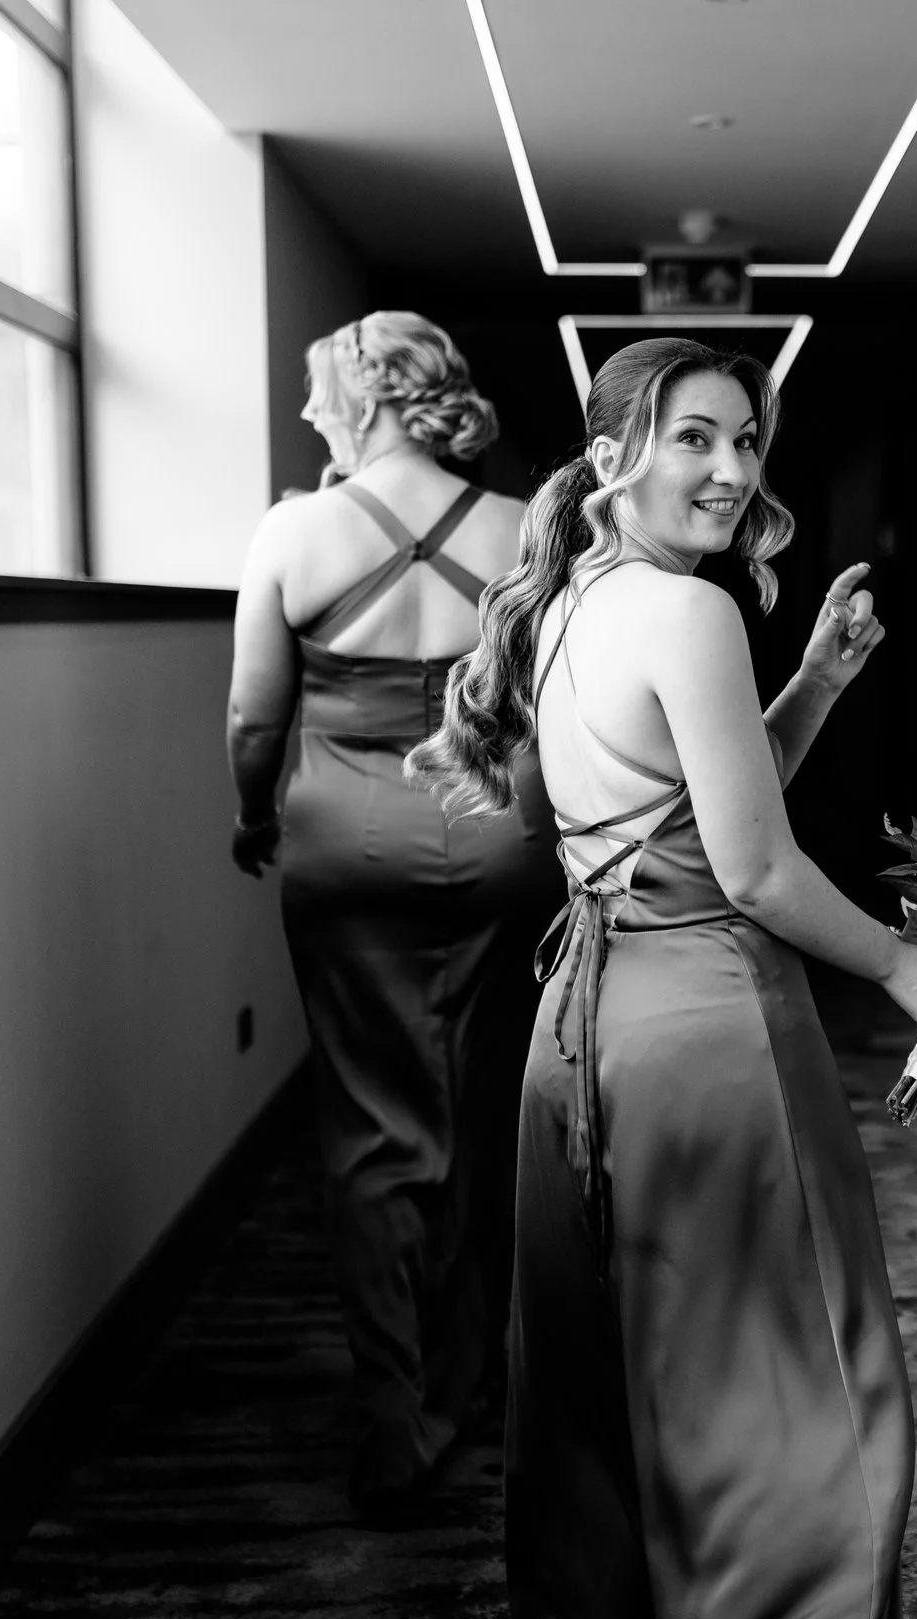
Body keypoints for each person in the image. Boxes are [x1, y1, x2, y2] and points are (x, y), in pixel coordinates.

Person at [408, 337, 917, 1619]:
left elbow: (683, 800)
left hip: (582, 1039)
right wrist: (907, 963)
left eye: (746, 440)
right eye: (695, 438)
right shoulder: (691, 610)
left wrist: (820, 683)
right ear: (612, 455)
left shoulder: (570, 603)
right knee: (794, 1411)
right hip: (715, 1037)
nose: (731, 471)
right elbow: (759, 865)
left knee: (613, 1404)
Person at [225, 311, 558, 1517]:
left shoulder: (293, 529)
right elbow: (558, 704)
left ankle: (396, 1419)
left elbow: (255, 721)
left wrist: (255, 813)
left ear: (363, 402)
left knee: (376, 1127)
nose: (308, 411)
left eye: (319, 391)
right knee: (482, 1108)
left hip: (346, 848)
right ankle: (481, 1381)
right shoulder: (525, 528)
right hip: (501, 840)